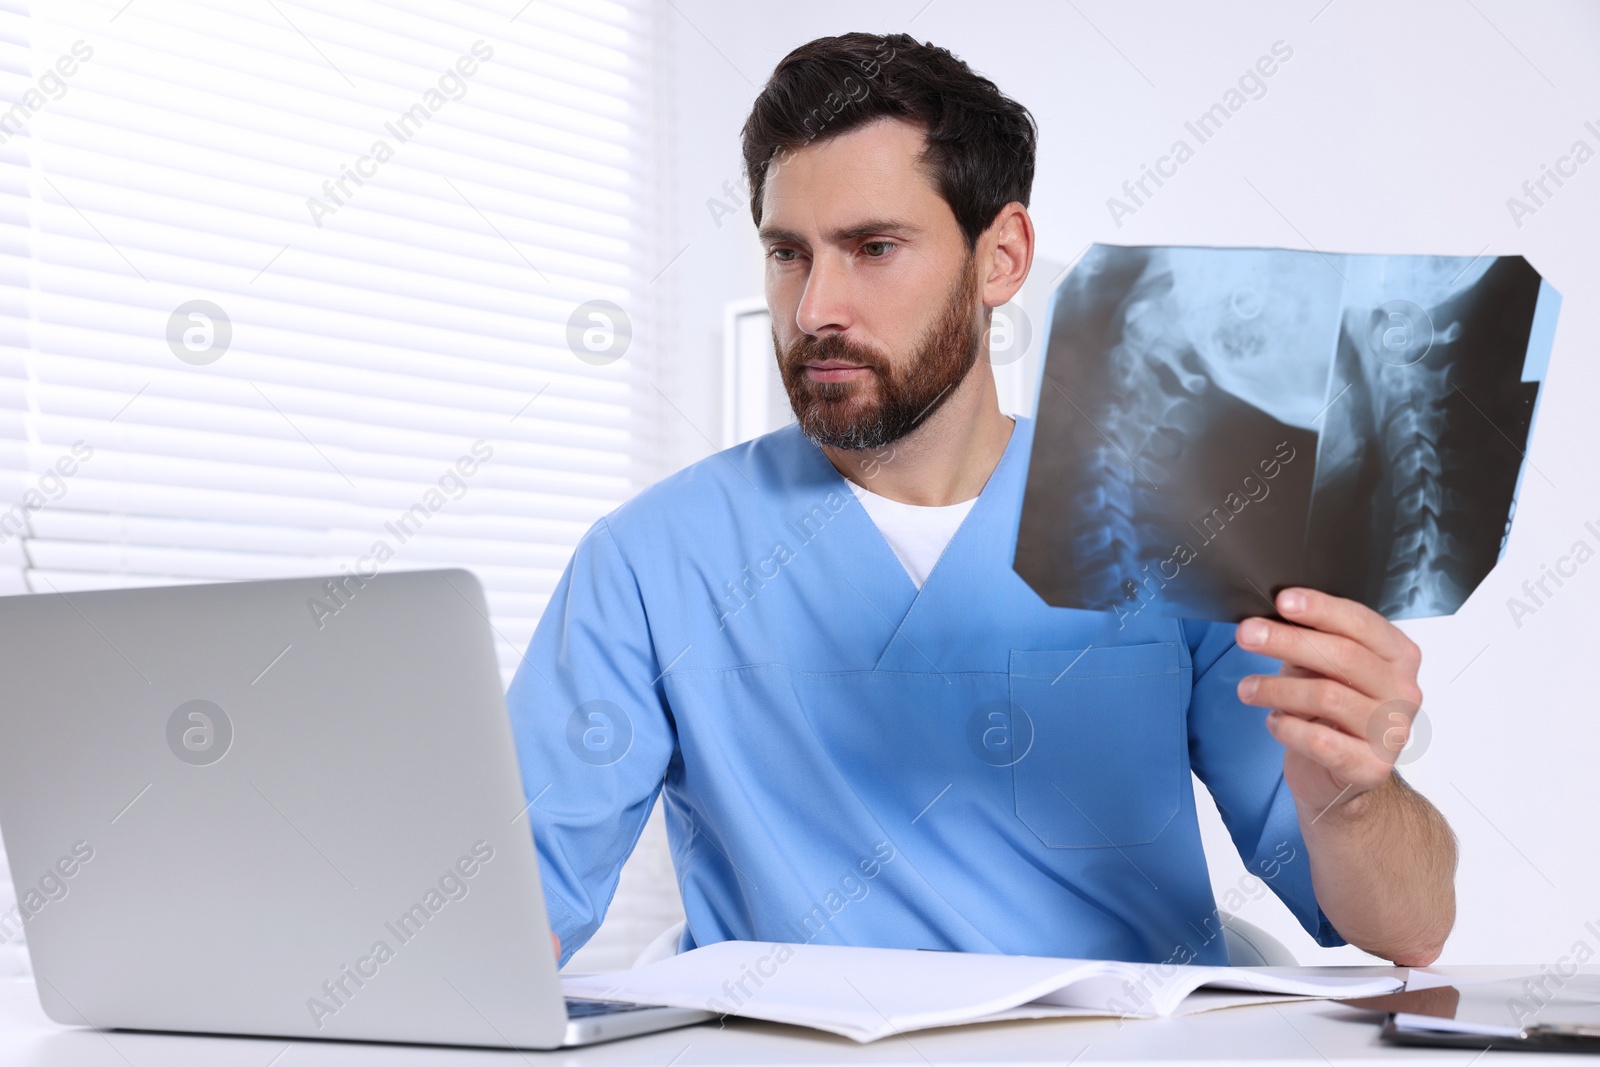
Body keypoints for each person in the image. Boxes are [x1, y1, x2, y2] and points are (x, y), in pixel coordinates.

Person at [510, 32, 1456, 970]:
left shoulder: (1179, 529)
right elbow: (508, 911)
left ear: (1000, 257)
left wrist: (1361, 795)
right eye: (789, 253)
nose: (813, 309)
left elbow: (1406, 928)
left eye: (873, 247)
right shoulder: (652, 563)